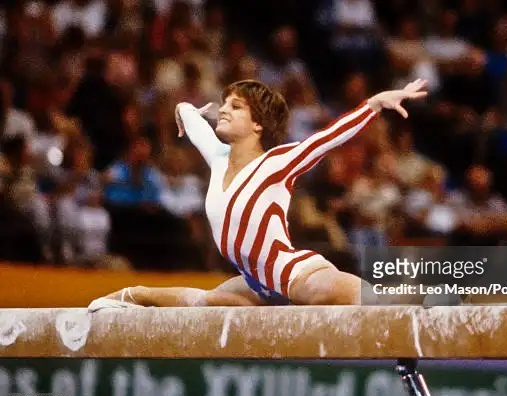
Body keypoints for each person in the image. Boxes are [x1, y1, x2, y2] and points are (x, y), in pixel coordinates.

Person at [89, 78, 428, 311]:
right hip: (256, 285)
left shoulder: (276, 163)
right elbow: (189, 117)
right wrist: (186, 110)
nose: (223, 109)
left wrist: (374, 104)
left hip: (295, 275)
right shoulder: (218, 159)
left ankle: (421, 301)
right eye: (224, 104)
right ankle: (134, 295)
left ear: (257, 125)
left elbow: (325, 139)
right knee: (206, 306)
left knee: (336, 295)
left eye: (234, 107)